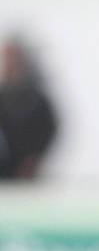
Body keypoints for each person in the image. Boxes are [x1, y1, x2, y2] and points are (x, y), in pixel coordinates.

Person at [0, 36, 58, 179]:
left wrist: (34, 158)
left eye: (12, 57)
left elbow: (50, 127)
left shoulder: (36, 98)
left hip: (27, 172)